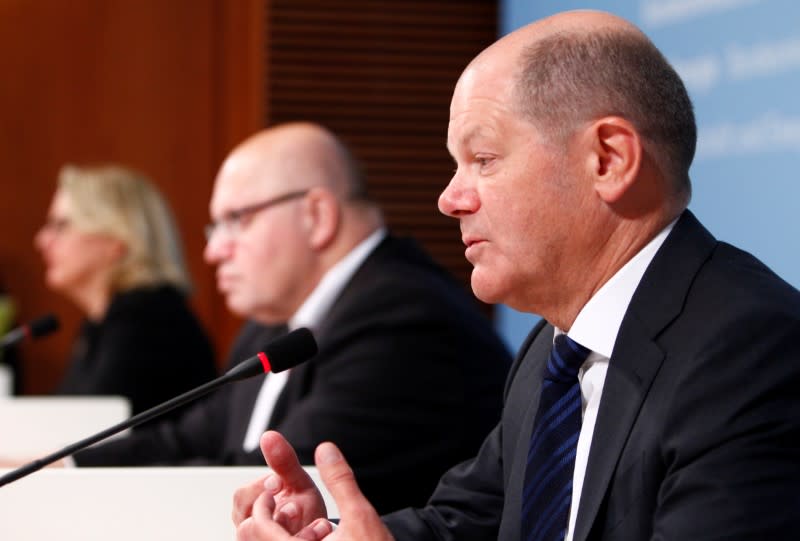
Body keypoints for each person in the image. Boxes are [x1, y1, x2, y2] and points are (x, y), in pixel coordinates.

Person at [230, 10, 800, 541]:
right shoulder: (552, 353)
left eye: (484, 159)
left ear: (608, 160)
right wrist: (331, 535)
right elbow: (470, 520)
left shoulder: (749, 351)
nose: (449, 199)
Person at [68, 122, 512, 515]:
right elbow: (191, 438)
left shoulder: (406, 320)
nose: (213, 251)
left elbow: (276, 480)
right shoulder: (273, 322)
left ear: (316, 216)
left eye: (235, 220)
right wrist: (61, 466)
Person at [34, 164, 217, 417]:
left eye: (61, 225)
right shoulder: (102, 322)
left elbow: (91, 428)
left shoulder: (148, 321)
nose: (43, 240)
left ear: (118, 239)